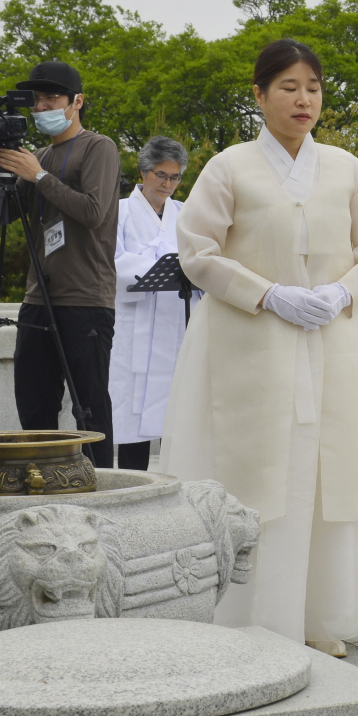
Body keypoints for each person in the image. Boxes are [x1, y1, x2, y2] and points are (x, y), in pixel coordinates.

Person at [163, 38, 358, 656]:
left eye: (313, 87)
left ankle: (319, 614)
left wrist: (342, 292)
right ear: (259, 95)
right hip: (253, 342)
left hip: (336, 340)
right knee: (258, 472)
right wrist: (267, 294)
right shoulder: (229, 167)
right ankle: (250, 612)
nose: (304, 99)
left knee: (330, 474)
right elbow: (196, 251)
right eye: (288, 87)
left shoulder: (346, 168)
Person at [0, 60, 122, 469]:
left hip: (85, 298)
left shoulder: (98, 147)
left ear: (76, 102)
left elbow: (94, 212)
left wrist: (40, 177)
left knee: (89, 407)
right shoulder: (37, 156)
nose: (42, 106)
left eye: (52, 98)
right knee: (33, 403)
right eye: (36, 100)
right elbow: (1, 217)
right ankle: (44, 478)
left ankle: (101, 483)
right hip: (39, 295)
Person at [111, 136, 199, 471]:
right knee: (132, 418)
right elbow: (111, 262)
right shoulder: (118, 211)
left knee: (178, 414)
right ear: (145, 171)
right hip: (134, 324)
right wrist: (160, 267)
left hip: (177, 322)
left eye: (175, 177)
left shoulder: (187, 214)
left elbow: (204, 258)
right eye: (161, 175)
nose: (168, 184)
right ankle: (132, 481)